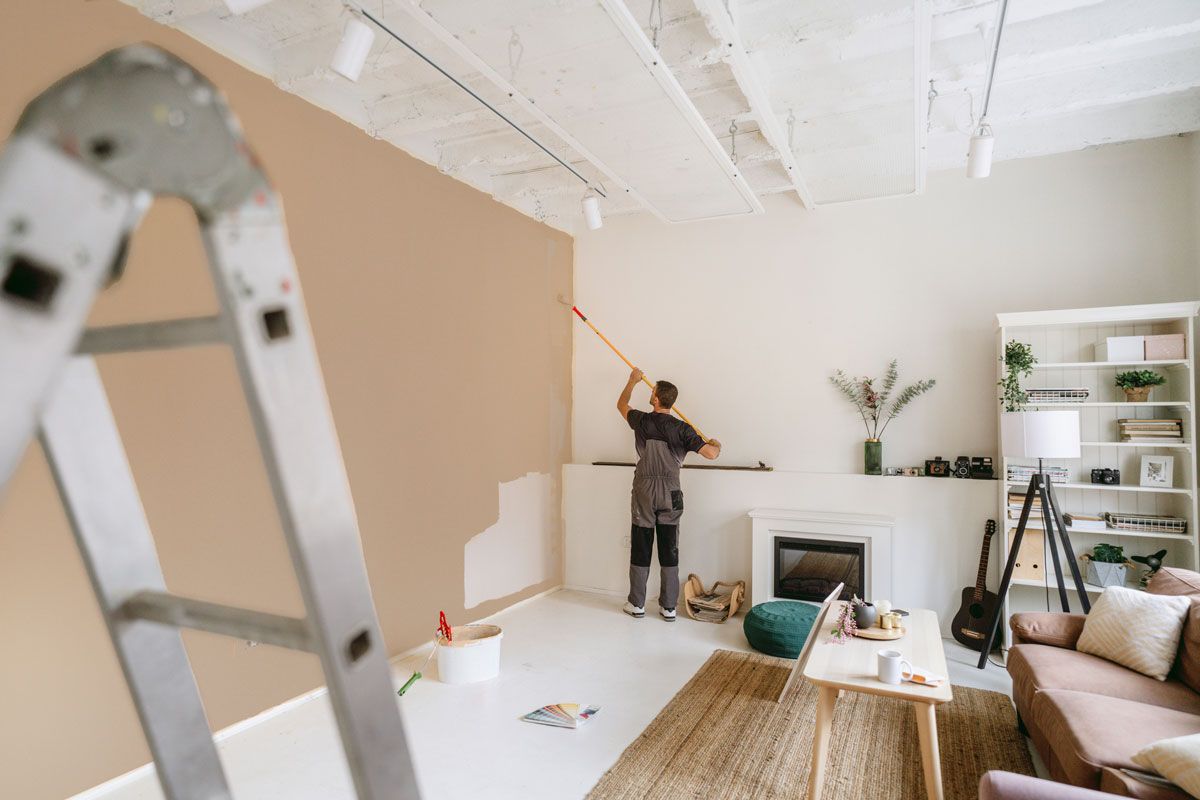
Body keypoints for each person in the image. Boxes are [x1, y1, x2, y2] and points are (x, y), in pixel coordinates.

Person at [617, 368, 721, 621]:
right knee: (669, 547)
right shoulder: (682, 429)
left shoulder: (641, 421)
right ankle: (669, 607)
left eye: (651, 391)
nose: (650, 393)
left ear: (655, 399)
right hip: (671, 492)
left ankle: (637, 604)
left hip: (644, 490)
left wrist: (632, 381)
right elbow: (711, 454)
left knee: (641, 545)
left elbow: (621, 404)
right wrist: (716, 444)